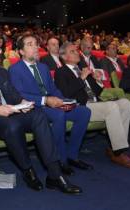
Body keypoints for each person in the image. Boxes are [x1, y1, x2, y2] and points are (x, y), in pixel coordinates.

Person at [0, 35, 82, 194]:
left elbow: (13, 95)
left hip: (10, 112)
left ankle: (54, 174)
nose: (0, 50)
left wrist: (23, 103)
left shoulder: (1, 71)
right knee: (13, 124)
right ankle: (28, 170)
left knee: (38, 115)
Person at [8, 34, 92, 175]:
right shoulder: (15, 69)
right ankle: (60, 160)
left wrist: (64, 100)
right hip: (34, 107)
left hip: (51, 103)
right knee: (59, 115)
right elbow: (19, 95)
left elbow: (53, 89)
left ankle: (72, 155)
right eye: (30, 44)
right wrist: (45, 101)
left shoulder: (43, 67)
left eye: (36, 43)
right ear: (21, 51)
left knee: (84, 112)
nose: (35, 47)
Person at [55, 42, 130, 169]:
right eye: (72, 51)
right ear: (63, 56)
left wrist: (97, 80)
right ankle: (119, 152)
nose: (77, 53)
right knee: (111, 107)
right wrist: (81, 79)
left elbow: (98, 92)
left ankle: (117, 147)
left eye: (76, 50)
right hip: (81, 107)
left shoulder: (82, 69)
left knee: (125, 103)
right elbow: (66, 94)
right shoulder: (61, 72)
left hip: (96, 103)